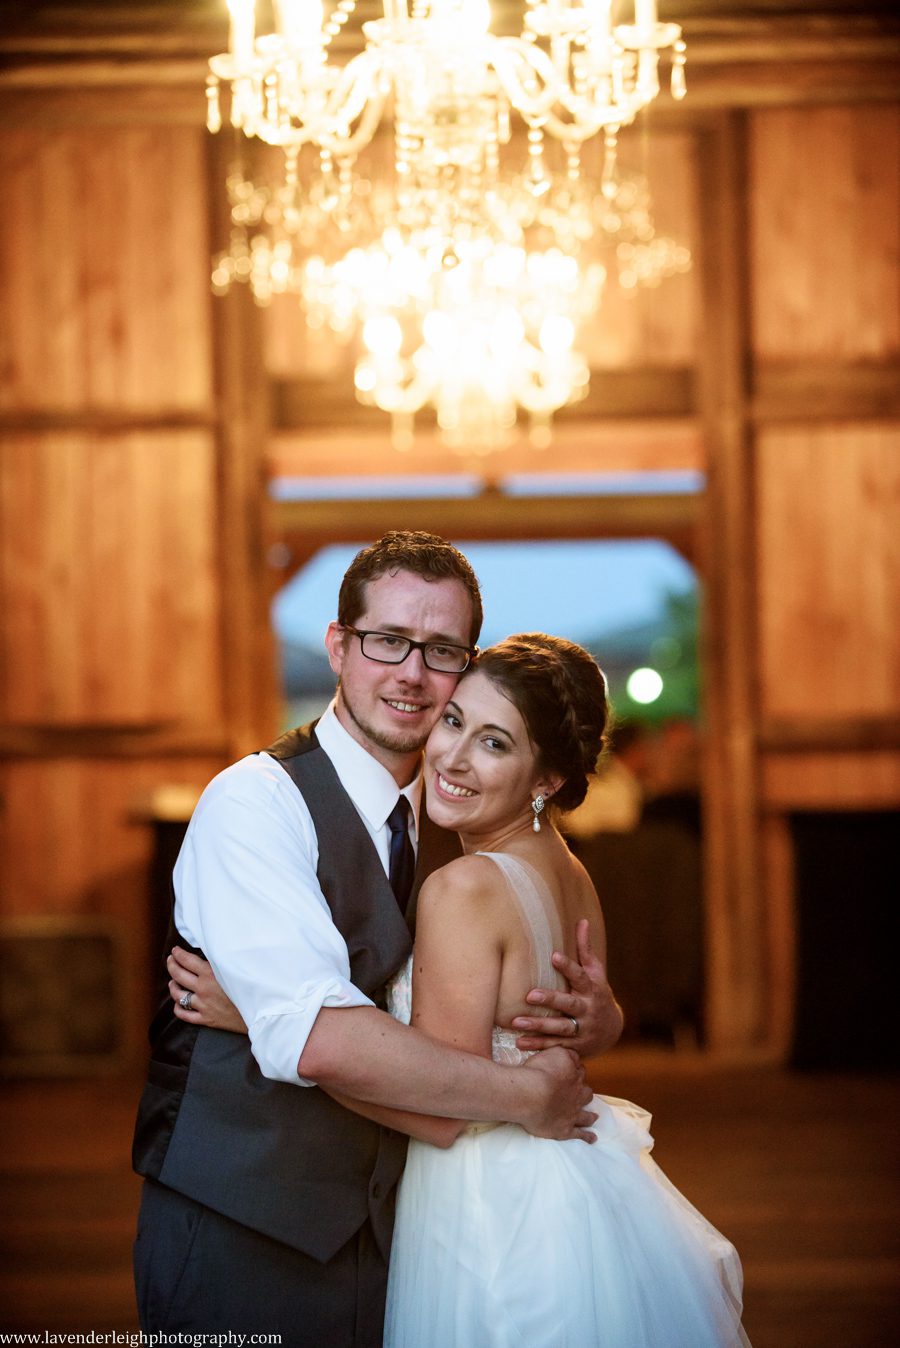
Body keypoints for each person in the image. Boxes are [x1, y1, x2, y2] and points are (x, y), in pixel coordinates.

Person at [176, 632, 750, 1347]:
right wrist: (608, 1024)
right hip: (571, 1179)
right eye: (454, 722)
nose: (452, 756)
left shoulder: (464, 888)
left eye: (495, 744)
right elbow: (569, 1025)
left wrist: (262, 1018)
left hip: (486, 1200)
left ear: (544, 780)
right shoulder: (572, 873)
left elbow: (436, 1109)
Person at [132, 531, 623, 1345]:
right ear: (338, 646)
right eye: (387, 640)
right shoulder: (255, 803)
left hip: (412, 1243)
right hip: (248, 1240)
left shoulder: (462, 819)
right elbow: (319, 1039)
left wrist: (600, 1020)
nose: (412, 672)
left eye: (440, 651)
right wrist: (528, 1092)